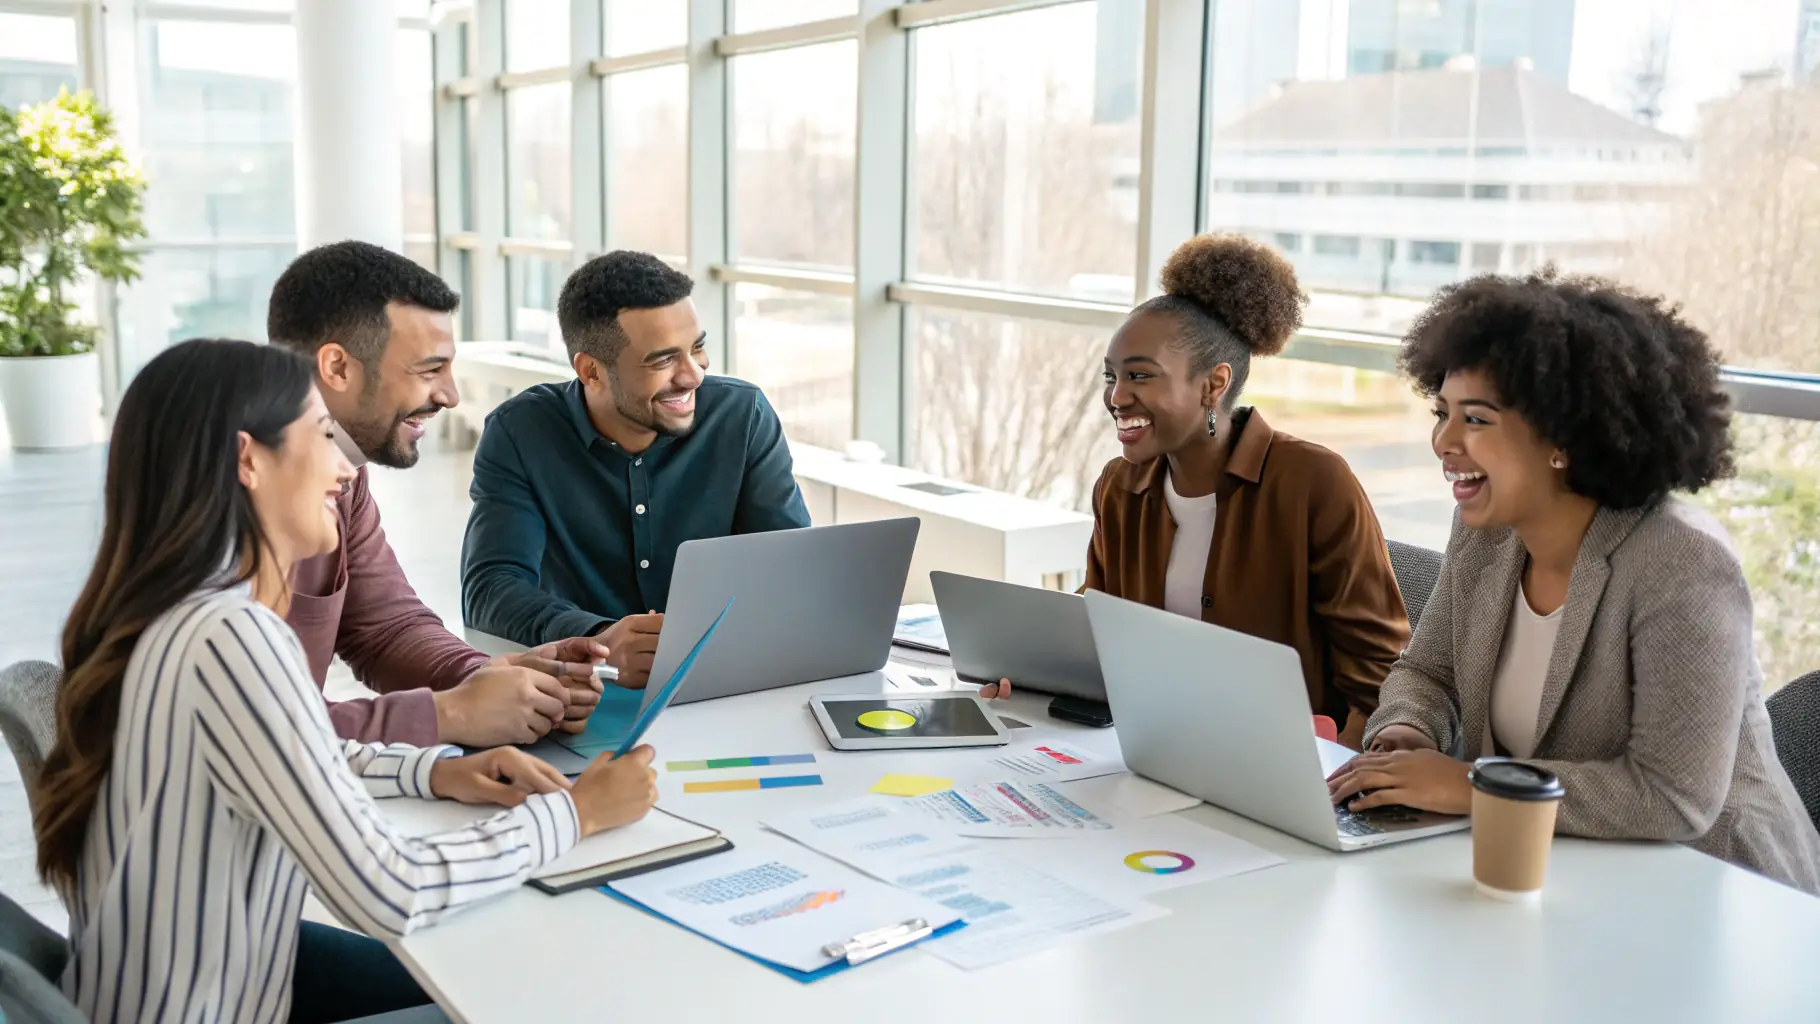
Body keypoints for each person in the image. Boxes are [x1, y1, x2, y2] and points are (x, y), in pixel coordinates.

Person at [32, 338, 661, 1023]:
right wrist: (577, 813)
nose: (342, 468)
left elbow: (291, 747)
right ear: (249, 459)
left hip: (214, 978)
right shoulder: (232, 639)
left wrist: (433, 773)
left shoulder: (171, 614)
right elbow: (389, 890)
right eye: (322, 435)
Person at [1326, 270, 1820, 895]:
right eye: (1442, 413)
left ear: (1561, 438)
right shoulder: (1488, 530)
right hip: (1556, 871)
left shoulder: (1682, 563)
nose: (1443, 441)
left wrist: (1467, 784)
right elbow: (1429, 673)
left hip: (1718, 891)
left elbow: (1673, 797)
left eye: (1476, 419)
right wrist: (1405, 736)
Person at [990, 234, 1408, 749]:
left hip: (1281, 760)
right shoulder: (1120, 486)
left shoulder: (1312, 482)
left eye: (1140, 375)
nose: (1117, 397)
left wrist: (1338, 774)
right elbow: (1101, 621)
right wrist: (1032, 670)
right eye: (1111, 376)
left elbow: (1381, 673)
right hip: (1152, 747)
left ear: (1213, 385)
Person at [268, 240, 624, 749]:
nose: (450, 396)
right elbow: (248, 724)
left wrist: (490, 677)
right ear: (338, 368)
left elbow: (385, 628)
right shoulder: (221, 491)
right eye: (429, 370)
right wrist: (446, 714)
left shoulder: (341, 471)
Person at [460, 250, 811, 687]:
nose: (693, 375)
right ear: (591, 371)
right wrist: (598, 637)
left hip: (725, 680)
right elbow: (491, 590)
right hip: (588, 692)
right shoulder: (520, 433)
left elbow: (794, 568)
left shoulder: (742, 416)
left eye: (697, 348)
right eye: (663, 360)